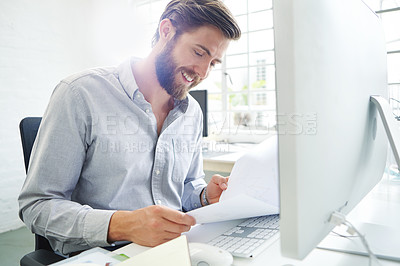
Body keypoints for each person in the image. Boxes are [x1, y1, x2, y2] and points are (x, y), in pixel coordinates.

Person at [18, 0, 241, 255]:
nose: (202, 72)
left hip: (174, 249)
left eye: (213, 63)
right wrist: (123, 225)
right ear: (167, 30)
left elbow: (187, 185)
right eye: (199, 53)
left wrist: (204, 197)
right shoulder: (80, 94)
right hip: (101, 254)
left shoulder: (191, 112)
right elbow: (37, 205)